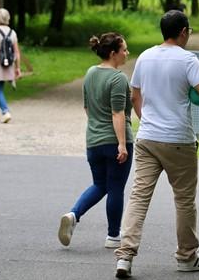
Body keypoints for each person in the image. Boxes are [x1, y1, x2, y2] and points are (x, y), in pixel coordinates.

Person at [114, 10, 199, 279]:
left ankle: (124, 257)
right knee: (184, 200)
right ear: (183, 31)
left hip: (147, 138)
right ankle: (187, 256)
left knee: (139, 197)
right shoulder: (188, 60)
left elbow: (134, 95)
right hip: (179, 142)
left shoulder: (145, 57)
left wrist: (147, 120)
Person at [58, 33, 134, 250]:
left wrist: (97, 129)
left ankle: (74, 214)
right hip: (115, 141)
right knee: (116, 187)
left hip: (93, 141)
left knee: (100, 184)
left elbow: (87, 107)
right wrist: (121, 143)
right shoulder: (118, 78)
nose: (127, 53)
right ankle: (113, 236)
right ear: (113, 53)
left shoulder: (90, 73)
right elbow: (117, 113)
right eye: (124, 50)